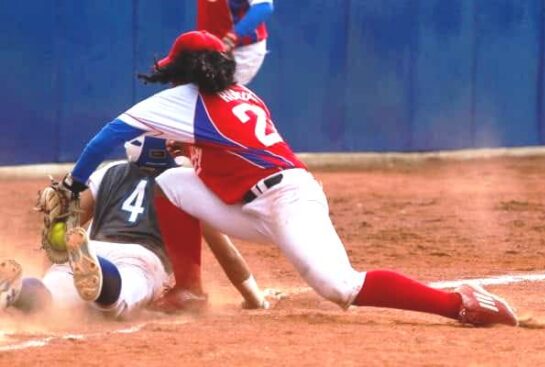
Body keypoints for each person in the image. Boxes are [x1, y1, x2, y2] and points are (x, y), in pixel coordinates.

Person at [56, 30, 518, 327]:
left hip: (288, 200)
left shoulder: (185, 100)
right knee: (170, 185)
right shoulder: (239, 92)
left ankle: (457, 303)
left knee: (340, 287)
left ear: (181, 72)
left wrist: (75, 184)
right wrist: (192, 150)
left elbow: (108, 136)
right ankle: (189, 290)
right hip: (252, 203)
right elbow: (228, 148)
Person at [0, 136, 267, 318]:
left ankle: (19, 290)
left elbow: (66, 222)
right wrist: (255, 298)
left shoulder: (110, 170)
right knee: (117, 303)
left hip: (92, 246)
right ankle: (101, 273)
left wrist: (55, 263)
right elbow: (226, 254)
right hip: (140, 259)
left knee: (52, 298)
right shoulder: (185, 184)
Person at [194, 0, 274, 85]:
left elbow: (264, 7)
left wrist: (233, 37)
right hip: (208, 46)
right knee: (192, 89)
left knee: (220, 91)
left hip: (242, 49)